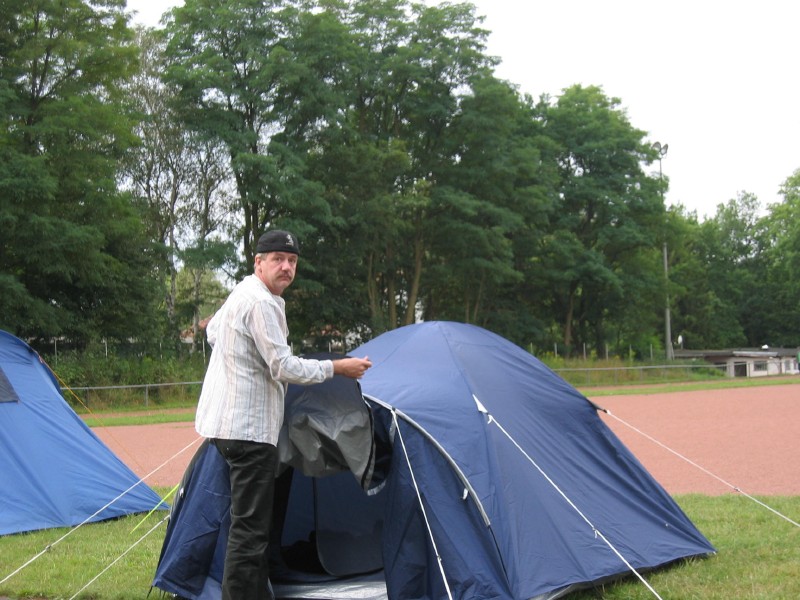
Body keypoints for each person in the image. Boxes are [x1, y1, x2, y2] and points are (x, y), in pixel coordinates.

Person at [195, 229, 372, 600]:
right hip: (249, 432)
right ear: (258, 262)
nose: (286, 267)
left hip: (224, 428)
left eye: (292, 261)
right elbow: (283, 366)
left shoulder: (242, 292)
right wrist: (337, 367)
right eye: (278, 259)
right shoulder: (262, 302)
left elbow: (212, 332)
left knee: (248, 525)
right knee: (250, 532)